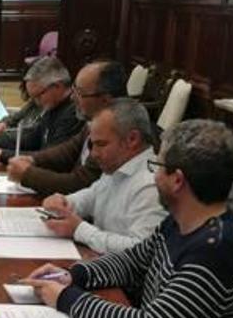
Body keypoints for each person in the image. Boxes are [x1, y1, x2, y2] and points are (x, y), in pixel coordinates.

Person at [23, 119, 233, 318]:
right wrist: (75, 275)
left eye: (157, 168)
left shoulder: (217, 250)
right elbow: (132, 262)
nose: (153, 177)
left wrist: (66, 299)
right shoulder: (182, 222)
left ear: (177, 180)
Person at [40, 98, 166, 253]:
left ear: (132, 139)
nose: (93, 154)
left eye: (101, 145)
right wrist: (65, 202)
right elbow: (93, 196)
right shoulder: (117, 167)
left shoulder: (151, 185)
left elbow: (141, 250)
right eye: (92, 145)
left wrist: (80, 230)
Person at [6, 61, 128, 195]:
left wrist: (27, 175)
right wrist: (32, 160)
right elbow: (66, 151)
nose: (73, 97)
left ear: (105, 100)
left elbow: (81, 183)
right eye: (74, 89)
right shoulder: (94, 120)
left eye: (80, 93)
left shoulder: (119, 129)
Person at [0, 56, 84, 165]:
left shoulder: (74, 112)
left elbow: (51, 159)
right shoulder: (54, 105)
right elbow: (34, 137)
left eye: (38, 96)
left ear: (57, 86)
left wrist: (1, 155)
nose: (36, 102)